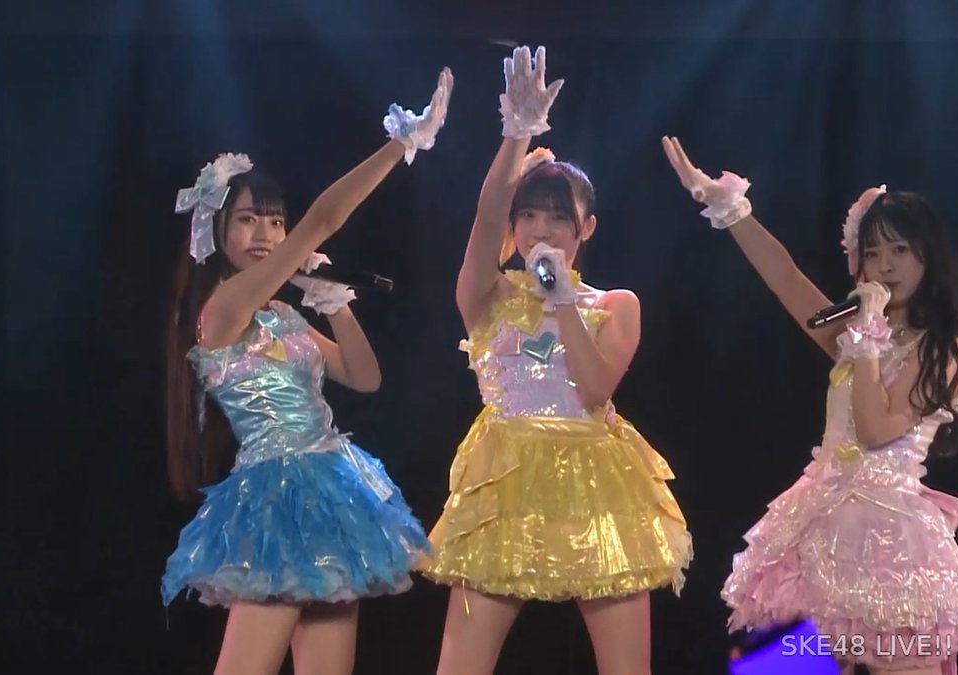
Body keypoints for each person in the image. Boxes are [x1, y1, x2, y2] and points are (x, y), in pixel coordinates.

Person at [160, 68, 452, 675]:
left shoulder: (282, 316)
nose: (266, 234)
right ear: (217, 227)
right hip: (276, 498)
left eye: (275, 221)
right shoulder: (223, 309)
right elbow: (323, 219)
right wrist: (399, 145)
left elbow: (365, 378)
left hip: (329, 494)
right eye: (248, 219)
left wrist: (334, 303)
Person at [662, 136, 958, 675]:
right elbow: (785, 278)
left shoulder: (942, 347)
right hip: (817, 523)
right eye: (873, 253)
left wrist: (867, 336)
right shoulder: (856, 331)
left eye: (899, 250)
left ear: (928, 256)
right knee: (777, 665)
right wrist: (731, 209)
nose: (884, 265)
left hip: (892, 539)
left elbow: (876, 429)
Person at [419, 47, 692, 675]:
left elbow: (594, 388)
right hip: (505, 481)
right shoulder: (486, 295)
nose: (541, 230)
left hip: (599, 484)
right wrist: (516, 133)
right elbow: (485, 218)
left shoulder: (616, 305)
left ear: (586, 228)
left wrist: (563, 298)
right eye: (529, 215)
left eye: (558, 218)